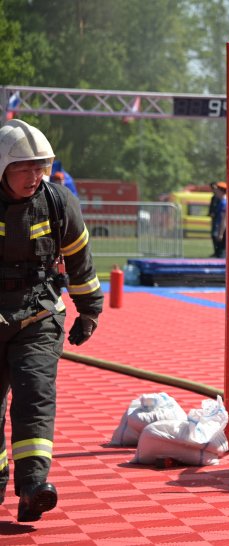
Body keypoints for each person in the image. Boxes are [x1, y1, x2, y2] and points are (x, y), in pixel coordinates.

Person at [0, 120, 103, 522]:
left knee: (35, 397)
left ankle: (33, 488)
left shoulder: (60, 203)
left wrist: (89, 309)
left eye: (40, 166)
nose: (34, 176)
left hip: (39, 315)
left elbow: (80, 262)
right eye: (24, 168)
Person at [210, 181, 227, 258]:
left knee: (221, 253)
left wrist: (221, 233)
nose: (215, 191)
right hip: (219, 228)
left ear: (220, 191)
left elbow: (224, 219)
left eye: (217, 189)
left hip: (221, 230)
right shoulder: (221, 201)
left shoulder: (224, 202)